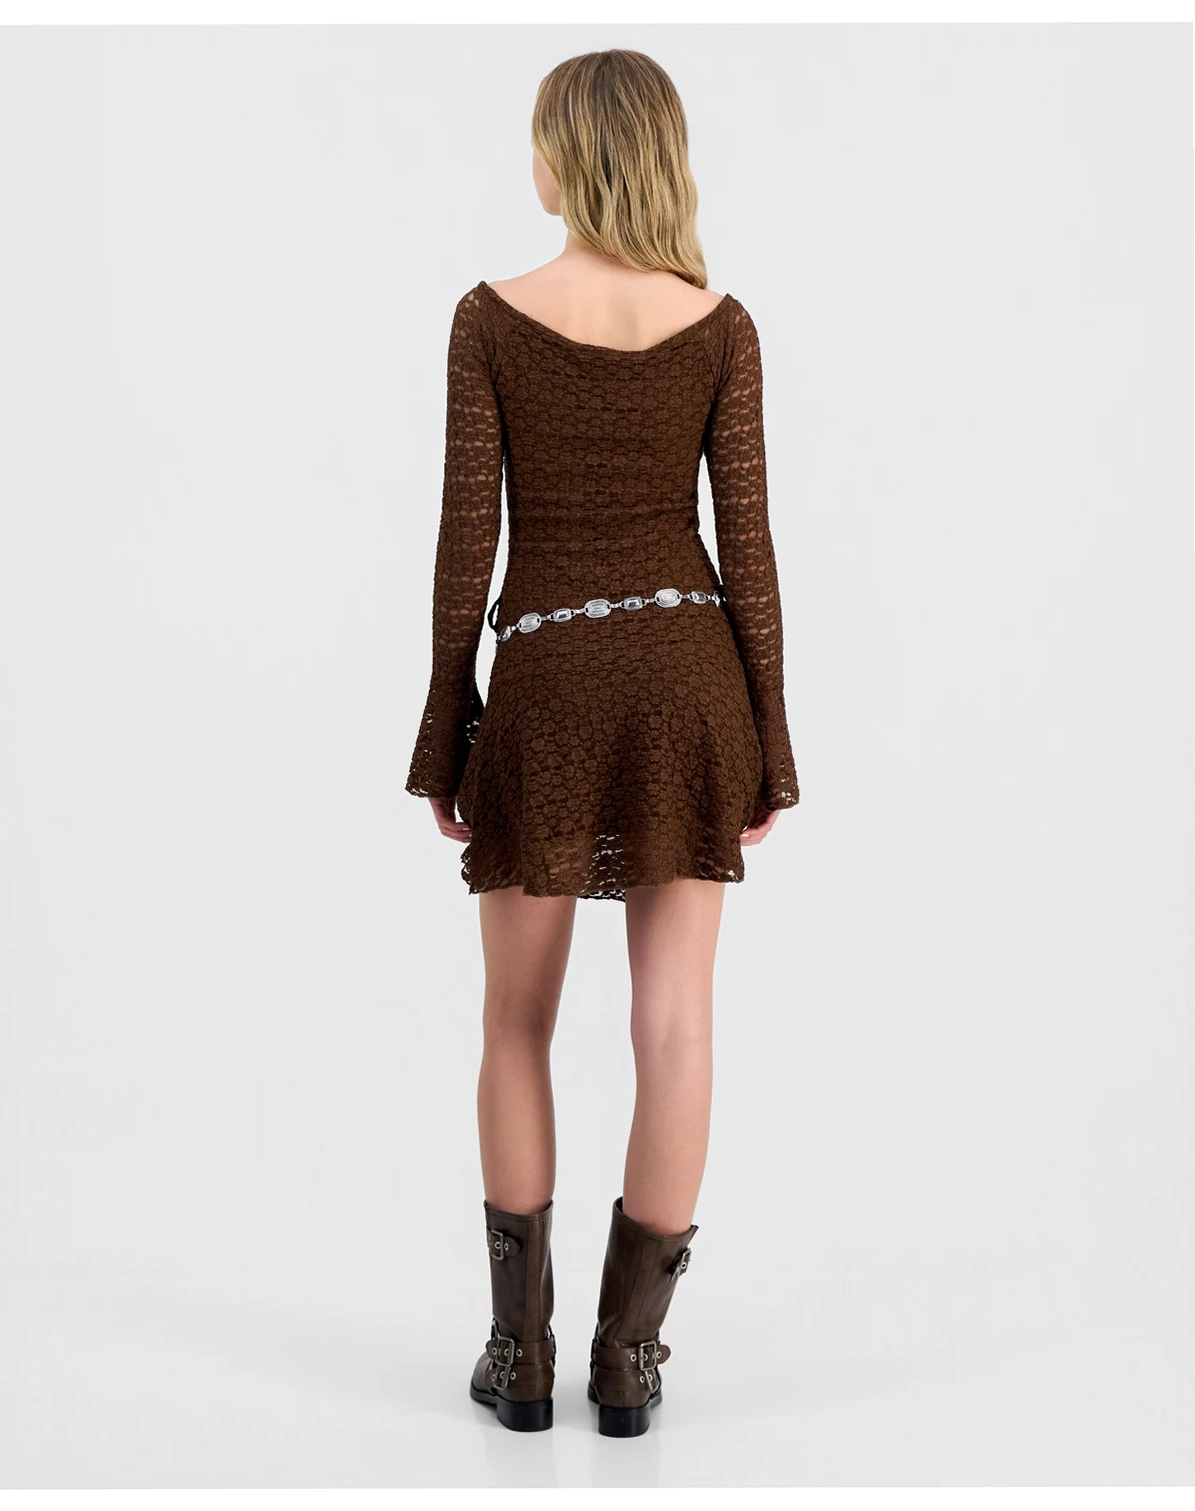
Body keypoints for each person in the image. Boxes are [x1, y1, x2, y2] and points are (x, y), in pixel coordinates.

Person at [405, 48, 800, 1438]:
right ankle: (628, 1365)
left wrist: (446, 726)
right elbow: (748, 549)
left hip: (550, 684)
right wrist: (772, 739)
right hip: (693, 682)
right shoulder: (721, 326)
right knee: (674, 1023)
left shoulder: (488, 320)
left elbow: (467, 544)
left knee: (516, 1017)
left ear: (562, 161)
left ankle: (520, 1357)